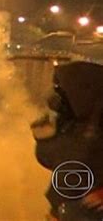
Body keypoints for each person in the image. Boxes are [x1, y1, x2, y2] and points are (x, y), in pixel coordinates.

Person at [31, 61, 103, 221]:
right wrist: (45, 140)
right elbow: (56, 162)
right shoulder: (73, 122)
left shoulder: (93, 124)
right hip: (68, 207)